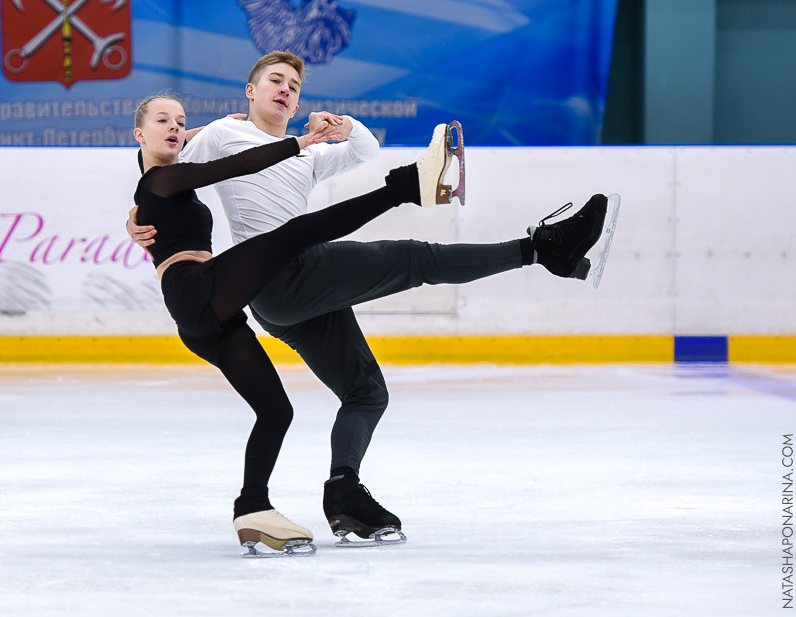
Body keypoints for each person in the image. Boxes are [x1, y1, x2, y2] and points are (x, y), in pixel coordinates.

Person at [128, 51, 612, 547]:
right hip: (277, 274)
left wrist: (334, 128)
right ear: (249, 91)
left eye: (293, 85)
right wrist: (139, 210)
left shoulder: (310, 154)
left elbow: (361, 148)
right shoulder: (221, 136)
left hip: (280, 293)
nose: (284, 88)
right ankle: (539, 248)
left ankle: (344, 495)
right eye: (274, 79)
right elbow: (161, 174)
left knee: (365, 392)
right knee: (413, 258)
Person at [132, 93, 463, 556]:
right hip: (195, 291)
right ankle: (407, 186)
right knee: (291, 238)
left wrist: (190, 135)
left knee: (276, 411)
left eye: (181, 120)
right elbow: (224, 170)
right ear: (138, 133)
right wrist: (297, 142)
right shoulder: (159, 184)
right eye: (162, 120)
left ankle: (252, 508)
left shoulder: (158, 182)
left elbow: (171, 155)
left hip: (207, 321)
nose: (174, 126)